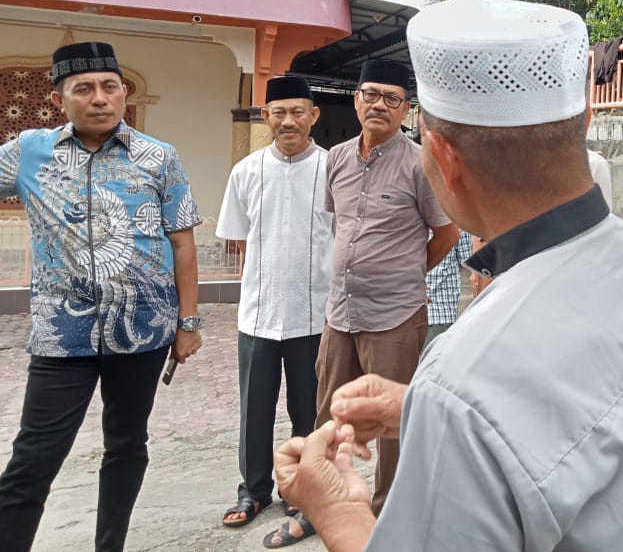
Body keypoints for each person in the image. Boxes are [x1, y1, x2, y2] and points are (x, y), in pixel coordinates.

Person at [272, 0, 623, 551]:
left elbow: (495, 403)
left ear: (441, 157)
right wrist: (421, 409)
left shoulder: (464, 376)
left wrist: (336, 511)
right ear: (582, 121)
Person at [0, 41, 203, 552]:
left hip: (143, 332)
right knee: (33, 458)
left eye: (110, 87)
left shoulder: (159, 158)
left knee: (127, 444)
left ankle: (109, 545)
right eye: (84, 88)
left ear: (124, 92)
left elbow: (182, 242)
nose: (99, 98)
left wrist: (188, 324)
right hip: (60, 338)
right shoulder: (28, 152)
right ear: (58, 99)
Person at [258, 57, 458, 548]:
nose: (379, 106)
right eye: (371, 95)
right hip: (340, 312)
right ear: (355, 100)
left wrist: (407, 272)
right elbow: (340, 224)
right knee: (329, 412)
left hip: (394, 315)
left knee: (389, 422)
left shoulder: (419, 161)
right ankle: (318, 508)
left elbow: (447, 232)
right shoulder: (337, 159)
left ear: (405, 108)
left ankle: (387, 517)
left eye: (392, 99)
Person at [215, 76, 334, 532]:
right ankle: (254, 491)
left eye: (298, 111)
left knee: (309, 412)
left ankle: (304, 493)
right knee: (255, 411)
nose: (289, 121)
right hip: (259, 315)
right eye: (279, 112)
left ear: (313, 116)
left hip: (315, 314)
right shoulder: (246, 171)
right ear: (266, 116)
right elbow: (241, 242)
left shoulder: (332, 169)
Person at [424, 230, 473, 347]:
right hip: (440, 313)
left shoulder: (403, 219)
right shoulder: (454, 219)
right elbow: (469, 261)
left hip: (403, 317)